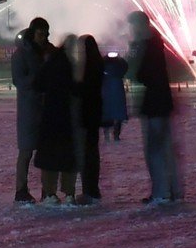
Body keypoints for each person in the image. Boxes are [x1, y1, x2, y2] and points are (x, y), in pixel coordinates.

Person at [128, 11, 179, 205]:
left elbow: (142, 73)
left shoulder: (147, 46)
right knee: (164, 148)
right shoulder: (156, 43)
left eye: (133, 25)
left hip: (154, 104)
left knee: (154, 150)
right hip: (161, 103)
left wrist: (132, 64)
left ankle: (161, 192)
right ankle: (172, 190)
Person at [33, 35, 79, 204]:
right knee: (68, 156)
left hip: (50, 114)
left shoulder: (51, 63)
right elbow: (77, 89)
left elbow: (38, 84)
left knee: (50, 157)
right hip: (67, 115)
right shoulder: (74, 65)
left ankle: (50, 193)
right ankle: (69, 193)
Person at [11, 16, 49, 202]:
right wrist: (37, 78)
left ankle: (47, 190)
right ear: (33, 33)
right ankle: (21, 190)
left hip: (46, 107)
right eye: (41, 34)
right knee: (26, 151)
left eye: (46, 34)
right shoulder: (21, 54)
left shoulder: (48, 51)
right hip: (28, 108)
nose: (43, 37)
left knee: (46, 151)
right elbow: (18, 81)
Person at [74, 34, 104, 201]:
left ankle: (89, 189)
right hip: (95, 113)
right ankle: (92, 188)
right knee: (92, 150)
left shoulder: (86, 67)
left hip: (86, 113)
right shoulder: (98, 64)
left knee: (87, 152)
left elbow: (81, 89)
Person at [101, 48, 128, 143]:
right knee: (115, 112)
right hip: (114, 87)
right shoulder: (119, 62)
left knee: (108, 111)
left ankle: (109, 135)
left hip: (108, 87)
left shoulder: (104, 61)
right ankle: (115, 135)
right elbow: (125, 68)